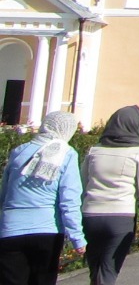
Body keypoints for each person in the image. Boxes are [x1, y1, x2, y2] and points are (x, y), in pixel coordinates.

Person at [0, 111, 87, 285]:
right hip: (48, 231)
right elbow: (69, 199)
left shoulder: (19, 151)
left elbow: (5, 192)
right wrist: (77, 237)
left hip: (10, 229)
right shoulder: (67, 154)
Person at [82, 105, 139, 285]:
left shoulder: (94, 151)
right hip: (120, 217)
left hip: (90, 215)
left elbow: (82, 185)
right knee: (108, 271)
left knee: (95, 270)